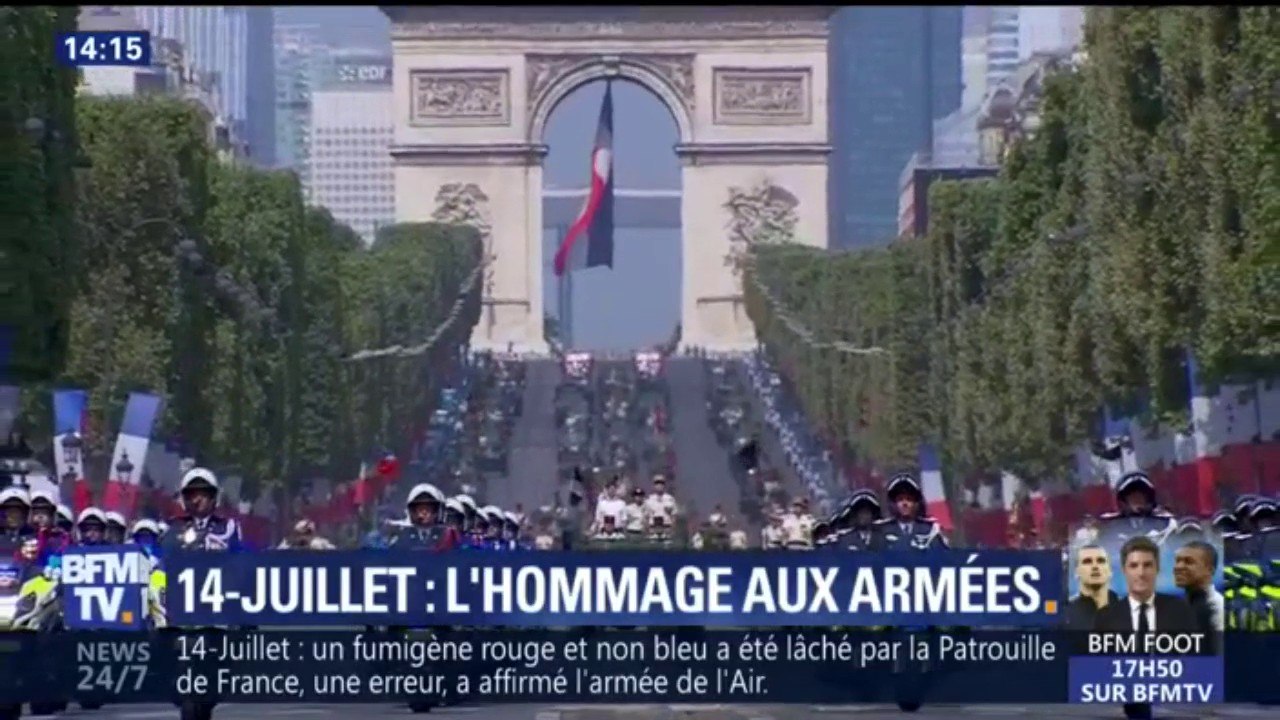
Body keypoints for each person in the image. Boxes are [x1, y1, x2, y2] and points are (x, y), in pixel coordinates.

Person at [1093, 536, 1197, 633]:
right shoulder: (1105, 618)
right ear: (1124, 570)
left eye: (1147, 565)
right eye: (1134, 566)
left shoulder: (1180, 611)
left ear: (1157, 568)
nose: (1141, 573)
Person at [165, 467, 242, 553]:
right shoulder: (175, 526)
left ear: (213, 497)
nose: (197, 500)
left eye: (204, 494)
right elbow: (164, 556)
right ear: (185, 499)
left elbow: (237, 558)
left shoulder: (228, 527)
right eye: (192, 495)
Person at [1096, 472, 1175, 546]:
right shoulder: (1109, 528)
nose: (1138, 499)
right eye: (1132, 495)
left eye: (1143, 495)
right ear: (1122, 501)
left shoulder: (1167, 525)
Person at [873, 473, 947, 550]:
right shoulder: (880, 530)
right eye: (900, 499)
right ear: (893, 504)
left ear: (917, 503)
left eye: (909, 499)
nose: (905, 503)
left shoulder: (931, 530)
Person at [1173, 540, 1225, 643]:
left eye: (1188, 562)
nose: (1178, 567)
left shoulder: (1218, 608)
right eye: (1177, 561)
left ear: (1209, 570)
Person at [1064, 543, 1119, 630]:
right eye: (1087, 561)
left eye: (1101, 561)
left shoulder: (1130, 610)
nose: (1095, 566)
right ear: (1076, 572)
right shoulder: (1064, 615)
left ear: (1110, 571)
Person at [390, 483, 459, 551]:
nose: (424, 513)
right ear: (411, 511)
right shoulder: (400, 536)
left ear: (439, 511)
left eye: (428, 509)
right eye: (420, 509)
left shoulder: (449, 536)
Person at [0, 486, 33, 554]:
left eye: (18, 510)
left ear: (26, 513)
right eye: (8, 509)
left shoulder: (35, 538)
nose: (13, 515)